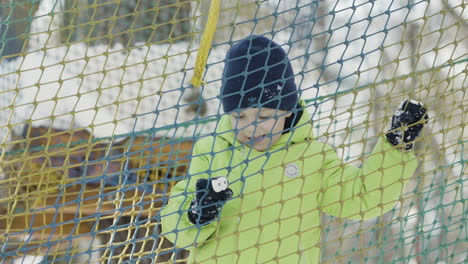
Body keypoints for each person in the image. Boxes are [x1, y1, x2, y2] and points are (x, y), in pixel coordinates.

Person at [160, 35, 428, 263]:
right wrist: (197, 215)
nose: (251, 129)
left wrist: (395, 149)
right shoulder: (212, 151)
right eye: (239, 117)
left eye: (264, 116)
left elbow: (363, 198)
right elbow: (177, 228)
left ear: (286, 112)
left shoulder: (311, 157)